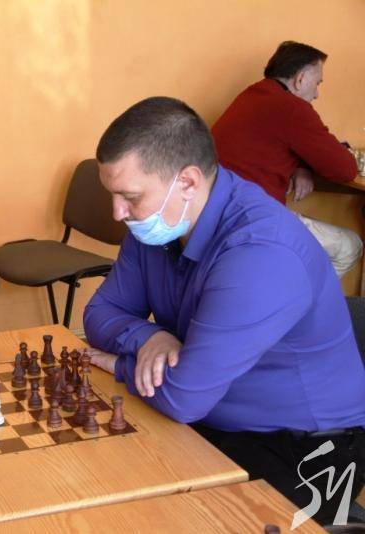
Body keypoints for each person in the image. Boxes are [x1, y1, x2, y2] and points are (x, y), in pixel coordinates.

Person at [84, 96, 365, 525]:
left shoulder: (260, 252)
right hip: (213, 419)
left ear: (188, 182)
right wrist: (150, 336)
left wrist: (119, 364)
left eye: (129, 197)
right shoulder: (156, 226)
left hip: (309, 448)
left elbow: (182, 398)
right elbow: (100, 313)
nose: (117, 212)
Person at [212, 41, 361, 278]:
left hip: (216, 215)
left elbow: (278, 140)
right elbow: (345, 169)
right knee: (349, 246)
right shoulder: (292, 108)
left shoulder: (251, 95)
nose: (317, 94)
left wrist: (300, 166)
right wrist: (306, 163)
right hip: (252, 221)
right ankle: (303, 301)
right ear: (300, 79)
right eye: (318, 83)